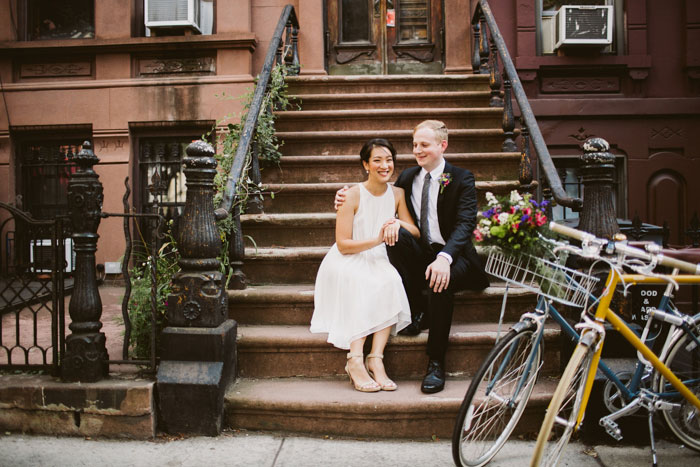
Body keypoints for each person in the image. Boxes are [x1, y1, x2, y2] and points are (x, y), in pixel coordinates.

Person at [335, 120, 489, 394]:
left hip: (454, 255)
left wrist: (445, 258)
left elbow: (465, 225)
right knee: (395, 233)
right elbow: (377, 191)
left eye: (424, 145)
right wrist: (343, 196)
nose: (417, 150)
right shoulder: (407, 178)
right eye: (415, 145)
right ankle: (417, 308)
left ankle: (436, 361)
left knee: (441, 280)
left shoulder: (461, 178)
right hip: (422, 252)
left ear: (442, 146)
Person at [311, 138, 420, 392]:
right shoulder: (351, 195)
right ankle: (355, 359)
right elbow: (343, 245)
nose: (385, 165)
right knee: (364, 282)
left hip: (378, 258)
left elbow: (414, 231)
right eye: (377, 160)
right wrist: (377, 239)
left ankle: (376, 358)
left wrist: (396, 223)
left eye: (389, 160)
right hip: (347, 259)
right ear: (366, 165)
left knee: (390, 281)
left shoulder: (398, 194)